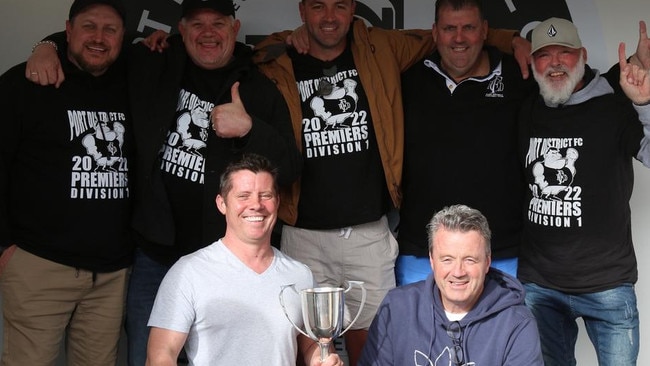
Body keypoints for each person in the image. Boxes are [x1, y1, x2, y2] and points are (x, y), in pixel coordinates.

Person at [26, 1, 301, 365]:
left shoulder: (260, 89)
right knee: (148, 357)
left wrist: (250, 129)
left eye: (218, 23)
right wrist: (46, 45)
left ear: (234, 30)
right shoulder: (153, 61)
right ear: (181, 30)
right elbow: (94, 47)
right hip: (155, 254)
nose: (207, 32)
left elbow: (291, 169)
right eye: (196, 24)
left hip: (222, 259)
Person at [252, 1, 527, 363]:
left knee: (377, 349)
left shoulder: (379, 49)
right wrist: (287, 38)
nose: (330, 17)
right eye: (318, 6)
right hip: (308, 235)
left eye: (339, 6)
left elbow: (458, 36)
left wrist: (523, 39)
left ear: (353, 9)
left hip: (370, 234)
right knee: (311, 351)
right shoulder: (283, 59)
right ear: (302, 11)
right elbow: (253, 53)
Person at [0, 0, 133, 364]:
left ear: (123, 37)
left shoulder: (132, 81)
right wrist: (5, 247)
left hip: (110, 273)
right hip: (38, 263)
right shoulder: (24, 82)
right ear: (68, 31)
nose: (99, 38)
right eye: (88, 27)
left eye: (110, 30)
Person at [518, 17, 650, 365]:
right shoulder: (525, 107)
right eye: (545, 55)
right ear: (532, 64)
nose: (556, 62)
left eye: (566, 52)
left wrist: (645, 106)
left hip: (607, 285)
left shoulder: (613, 103)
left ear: (583, 55)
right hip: (540, 286)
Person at [146, 153, 340, 366]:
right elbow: (161, 354)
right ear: (222, 203)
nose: (256, 205)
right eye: (243, 196)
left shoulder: (300, 274)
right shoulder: (189, 272)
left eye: (265, 195)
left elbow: (314, 344)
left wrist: (321, 360)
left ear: (277, 202)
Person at [396, 0, 535, 286]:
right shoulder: (408, 80)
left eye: (468, 28)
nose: (459, 38)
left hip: (503, 251)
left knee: (503, 332)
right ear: (434, 32)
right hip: (423, 253)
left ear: (485, 30)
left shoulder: (518, 75)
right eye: (449, 28)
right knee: (420, 331)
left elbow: (573, 87)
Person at [359, 204, 544, 365]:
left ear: (487, 262)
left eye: (470, 260)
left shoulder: (517, 323)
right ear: (431, 260)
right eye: (447, 259)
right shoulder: (396, 308)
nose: (458, 272)